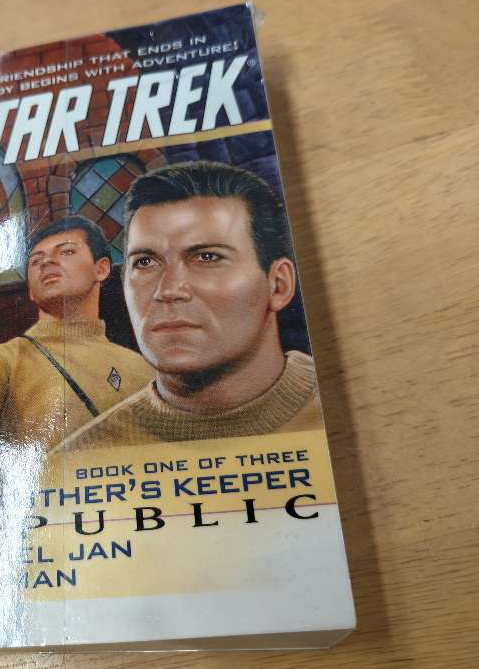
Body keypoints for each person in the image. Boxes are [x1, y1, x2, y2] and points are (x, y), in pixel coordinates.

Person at [55, 161, 324, 451]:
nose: (168, 290)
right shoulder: (82, 457)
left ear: (278, 285)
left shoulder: (339, 410)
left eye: (208, 257)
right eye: (145, 262)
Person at [0, 215, 153, 457]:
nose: (47, 262)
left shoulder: (143, 368)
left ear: (101, 268)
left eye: (66, 251)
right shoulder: (3, 360)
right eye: (36, 260)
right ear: (30, 291)